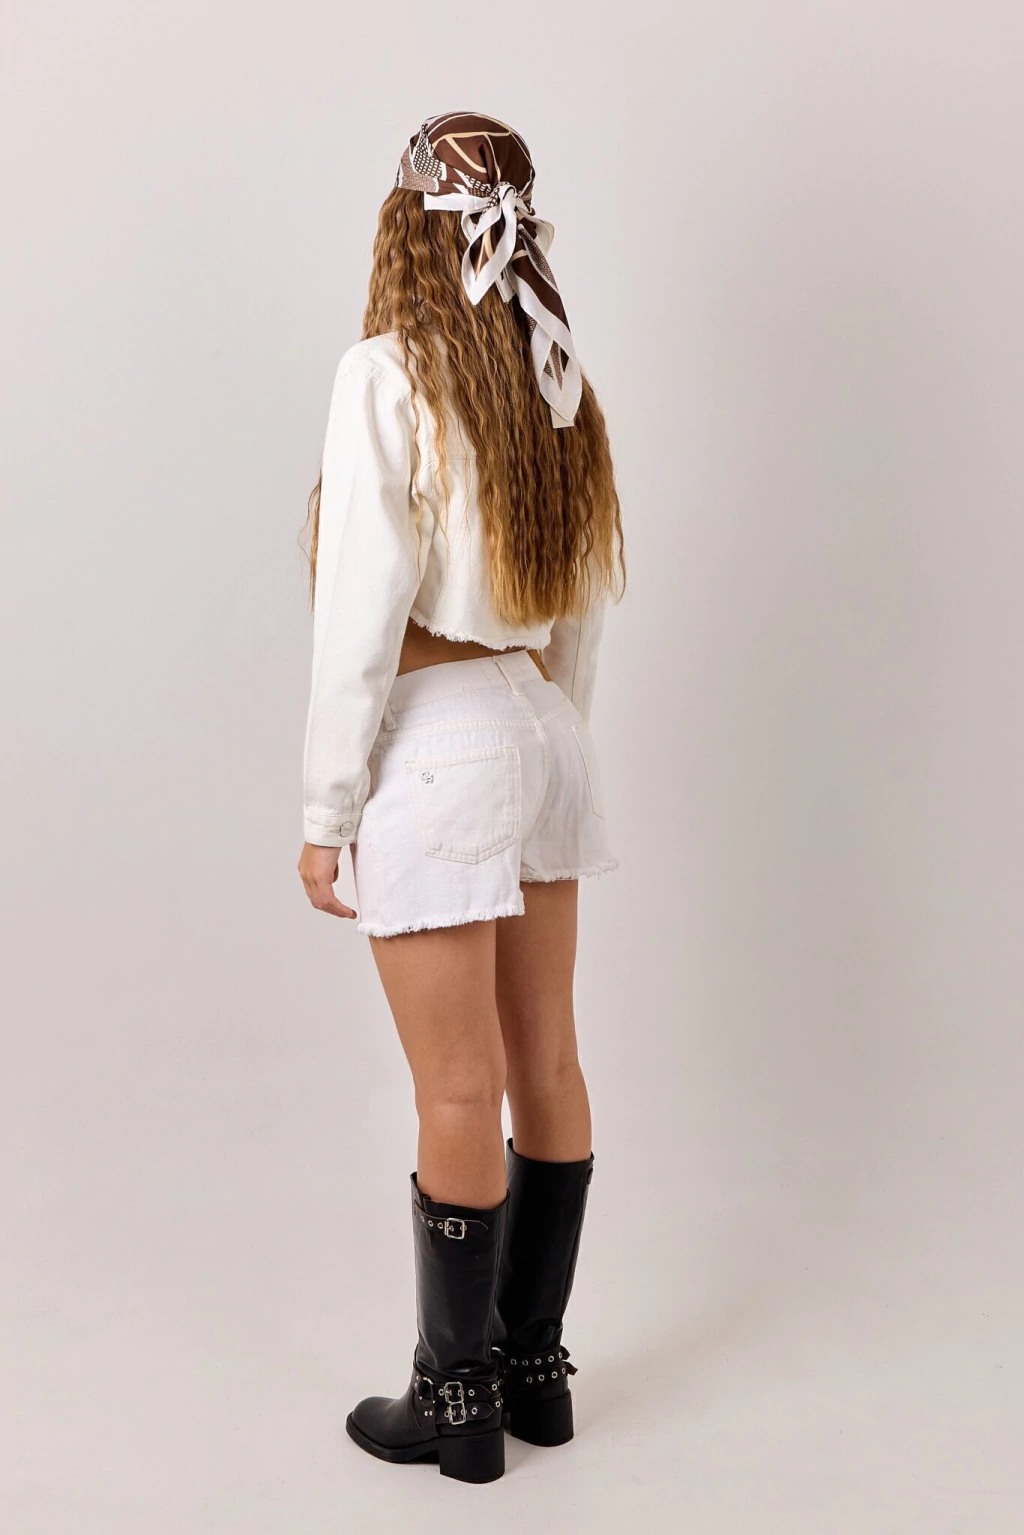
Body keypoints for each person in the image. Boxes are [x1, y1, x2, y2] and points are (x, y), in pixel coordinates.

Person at [298, 111, 624, 1485]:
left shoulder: (387, 373)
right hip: (542, 728)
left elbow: (360, 614)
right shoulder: (559, 384)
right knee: (547, 1062)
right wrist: (552, 742)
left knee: (456, 1082)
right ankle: (535, 1370)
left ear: (407, 229)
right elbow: (584, 600)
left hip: (437, 741)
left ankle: (456, 1397)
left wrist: (327, 809)